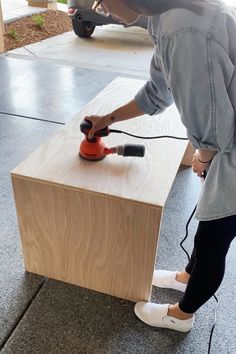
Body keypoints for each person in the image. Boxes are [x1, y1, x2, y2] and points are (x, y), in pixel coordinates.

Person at [86, 0, 236, 332]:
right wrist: (107, 118)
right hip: (227, 140)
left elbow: (213, 127)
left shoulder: (182, 30)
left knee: (216, 236)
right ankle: (186, 277)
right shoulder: (170, 14)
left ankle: (180, 316)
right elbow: (157, 91)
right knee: (209, 221)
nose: (101, 8)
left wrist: (204, 156)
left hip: (230, 146)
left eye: (101, 0)